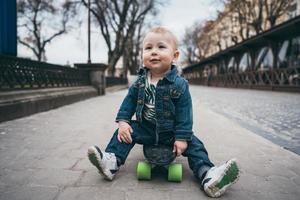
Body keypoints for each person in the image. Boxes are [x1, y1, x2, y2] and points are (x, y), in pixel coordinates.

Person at [87, 27, 240, 198]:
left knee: (195, 144)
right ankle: (111, 162)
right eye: (148, 48)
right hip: (146, 129)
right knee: (123, 133)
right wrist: (123, 121)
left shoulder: (179, 84)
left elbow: (185, 113)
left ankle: (208, 174)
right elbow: (129, 102)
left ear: (174, 56)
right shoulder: (140, 82)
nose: (153, 52)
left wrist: (182, 138)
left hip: (171, 132)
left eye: (161, 47)